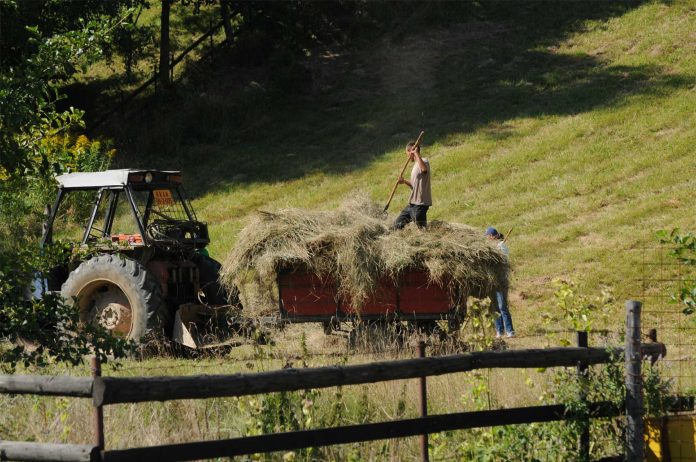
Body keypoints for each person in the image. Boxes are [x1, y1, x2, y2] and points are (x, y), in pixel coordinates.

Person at [392, 142, 432, 230]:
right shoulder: (415, 166)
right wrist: (404, 181)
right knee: (397, 225)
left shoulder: (424, 161)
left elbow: (424, 170)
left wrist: (416, 153)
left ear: (411, 151)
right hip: (412, 204)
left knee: (422, 230)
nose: (407, 157)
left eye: (407, 153)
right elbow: (414, 185)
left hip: (420, 204)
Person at [485, 226, 515, 338]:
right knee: (494, 307)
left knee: (502, 306)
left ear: (493, 236)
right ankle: (499, 331)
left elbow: (502, 261)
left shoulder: (501, 247)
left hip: (501, 280)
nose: (487, 239)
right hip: (493, 281)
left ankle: (510, 331)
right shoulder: (491, 248)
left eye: (488, 236)